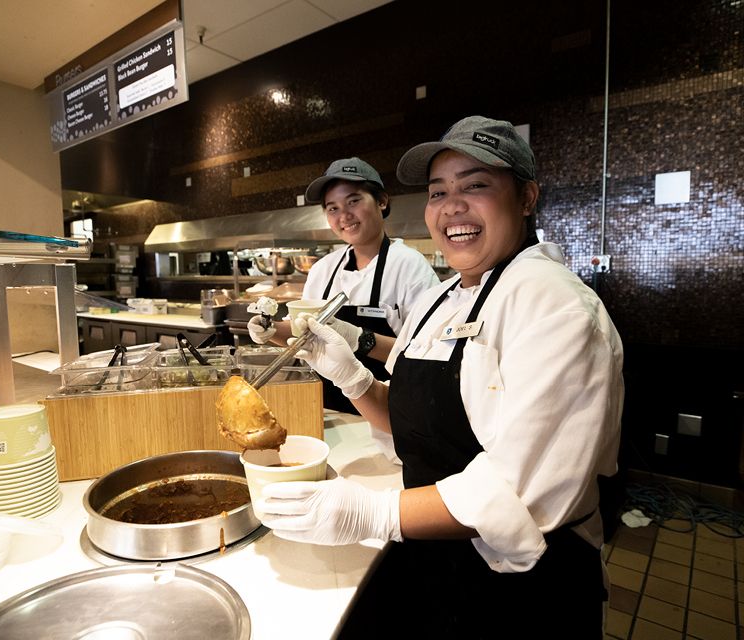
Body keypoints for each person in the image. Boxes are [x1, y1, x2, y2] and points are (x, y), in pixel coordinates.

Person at [256, 116, 624, 638]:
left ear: (526, 198)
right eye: (437, 192)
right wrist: (351, 375)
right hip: (436, 558)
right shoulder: (438, 299)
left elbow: (521, 493)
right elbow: (413, 417)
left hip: (525, 585)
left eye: (475, 185)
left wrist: (371, 513)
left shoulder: (556, 306)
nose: (452, 206)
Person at [247, 157, 439, 414]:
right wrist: (271, 331)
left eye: (354, 201)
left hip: (390, 411)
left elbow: (426, 355)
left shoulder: (409, 266)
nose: (344, 216)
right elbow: (302, 335)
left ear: (382, 201)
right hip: (328, 410)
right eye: (332, 208)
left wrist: (360, 339)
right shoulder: (323, 269)